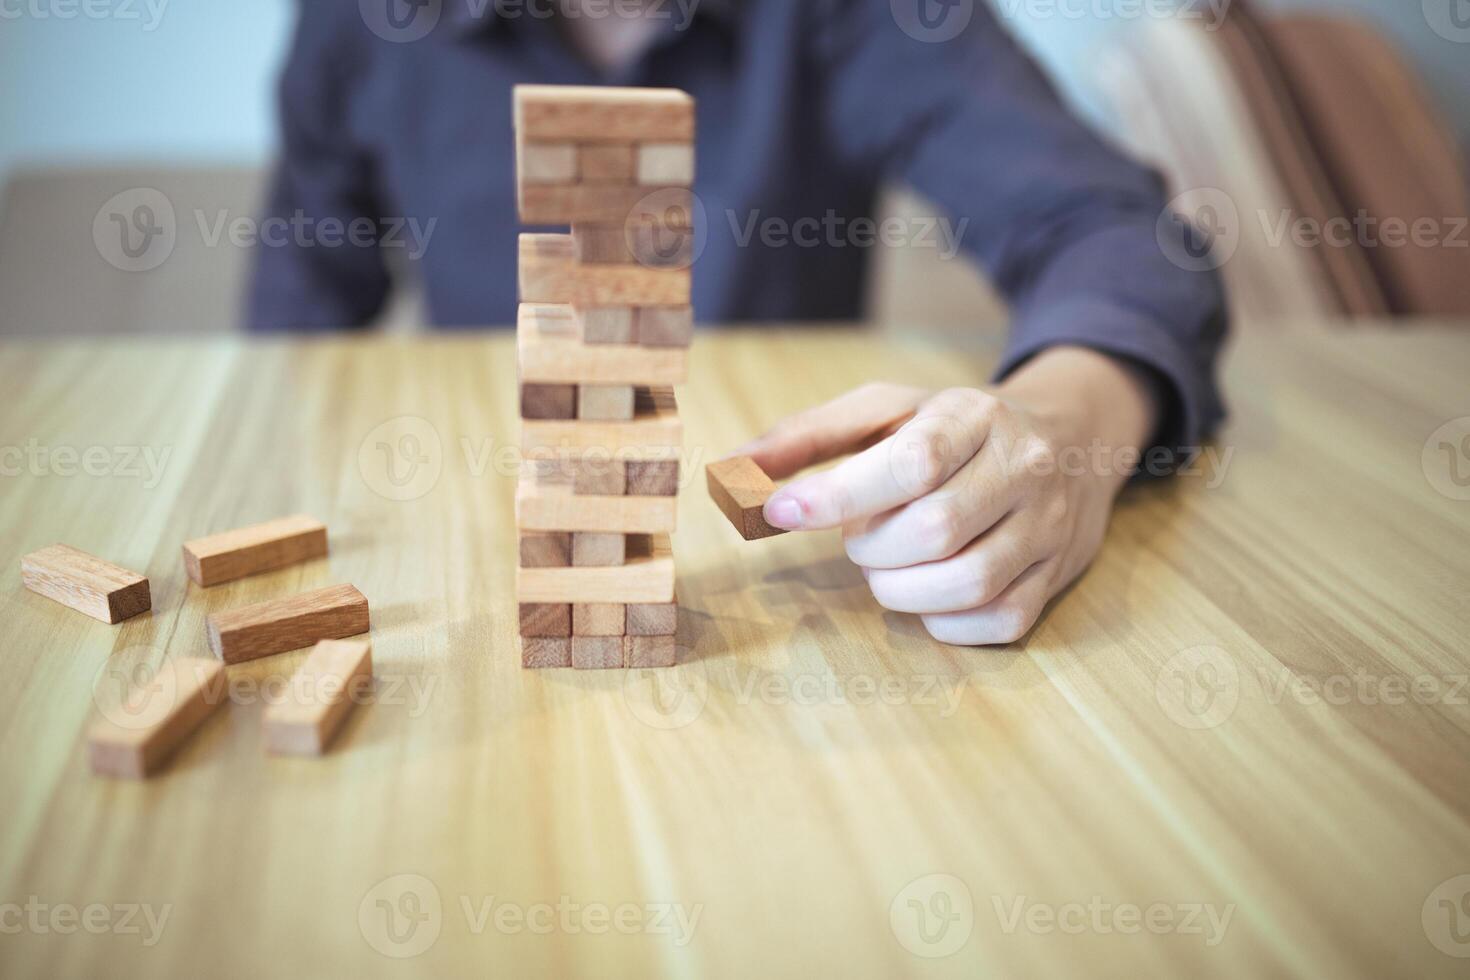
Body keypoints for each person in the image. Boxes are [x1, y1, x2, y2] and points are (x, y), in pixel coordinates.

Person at [251, 0, 1228, 645]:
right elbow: (292, 330)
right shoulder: (358, 22)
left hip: (783, 596)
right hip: (467, 552)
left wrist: (1069, 425)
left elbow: (1113, 230)